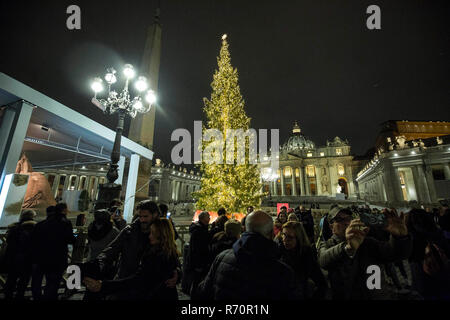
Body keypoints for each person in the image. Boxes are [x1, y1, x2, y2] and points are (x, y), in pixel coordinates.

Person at [196, 211, 302, 300]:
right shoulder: (283, 272)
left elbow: (202, 293)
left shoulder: (221, 258)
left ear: (245, 230)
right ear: (271, 234)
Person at [86, 200, 179, 299]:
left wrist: (177, 273)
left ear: (155, 215)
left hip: (149, 290)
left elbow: (172, 257)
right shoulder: (129, 231)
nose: (142, 220)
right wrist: (97, 265)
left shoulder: (161, 233)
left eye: (145, 216)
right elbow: (110, 250)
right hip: (126, 285)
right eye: (140, 216)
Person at [317, 206, 412, 300]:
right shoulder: (327, 244)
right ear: (331, 227)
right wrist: (348, 248)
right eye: (339, 219)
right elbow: (324, 260)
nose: (346, 222)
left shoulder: (367, 242)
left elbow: (396, 254)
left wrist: (400, 238)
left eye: (348, 218)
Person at [31, 204, 76, 300]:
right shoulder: (65, 223)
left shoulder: (40, 224)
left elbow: (33, 241)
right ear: (63, 211)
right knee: (53, 282)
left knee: (37, 282)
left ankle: (37, 297)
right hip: (57, 257)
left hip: (40, 257)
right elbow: (70, 239)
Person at [277, 221, 328, 299]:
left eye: (290, 237)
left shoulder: (306, 255)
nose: (285, 239)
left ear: (299, 238)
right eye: (283, 235)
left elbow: (321, 283)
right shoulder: (279, 250)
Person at [3, 210, 37, 300]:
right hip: (27, 258)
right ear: (32, 217)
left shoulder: (14, 227)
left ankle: (8, 295)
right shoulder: (34, 227)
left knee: (11, 278)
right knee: (24, 279)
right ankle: (19, 296)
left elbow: (8, 241)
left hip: (13, 257)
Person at [187, 211, 211, 297]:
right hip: (199, 262)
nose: (209, 218)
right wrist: (198, 264)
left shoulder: (198, 228)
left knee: (196, 281)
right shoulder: (200, 231)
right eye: (208, 217)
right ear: (203, 219)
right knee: (197, 281)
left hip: (197, 261)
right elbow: (198, 249)